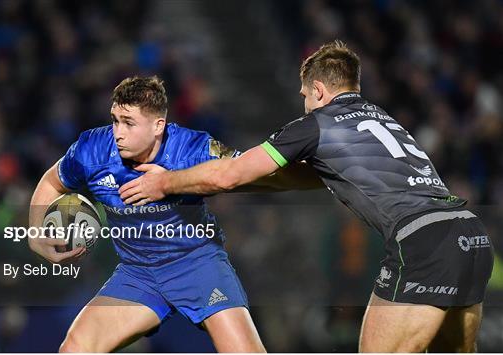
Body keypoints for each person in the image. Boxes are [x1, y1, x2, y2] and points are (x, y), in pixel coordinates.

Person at [124, 41, 494, 352]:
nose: (304, 103)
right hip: (469, 235)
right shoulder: (382, 119)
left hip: (422, 243)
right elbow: (299, 179)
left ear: (318, 90)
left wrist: (165, 183)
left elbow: (226, 175)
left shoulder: (316, 124)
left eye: (304, 95)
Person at [28, 75, 320, 352]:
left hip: (198, 264)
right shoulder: (91, 150)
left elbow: (252, 173)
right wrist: (35, 233)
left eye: (129, 123)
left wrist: (320, 178)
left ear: (158, 125)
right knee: (74, 349)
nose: (118, 133)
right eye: (115, 120)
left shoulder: (193, 148)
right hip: (138, 273)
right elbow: (52, 181)